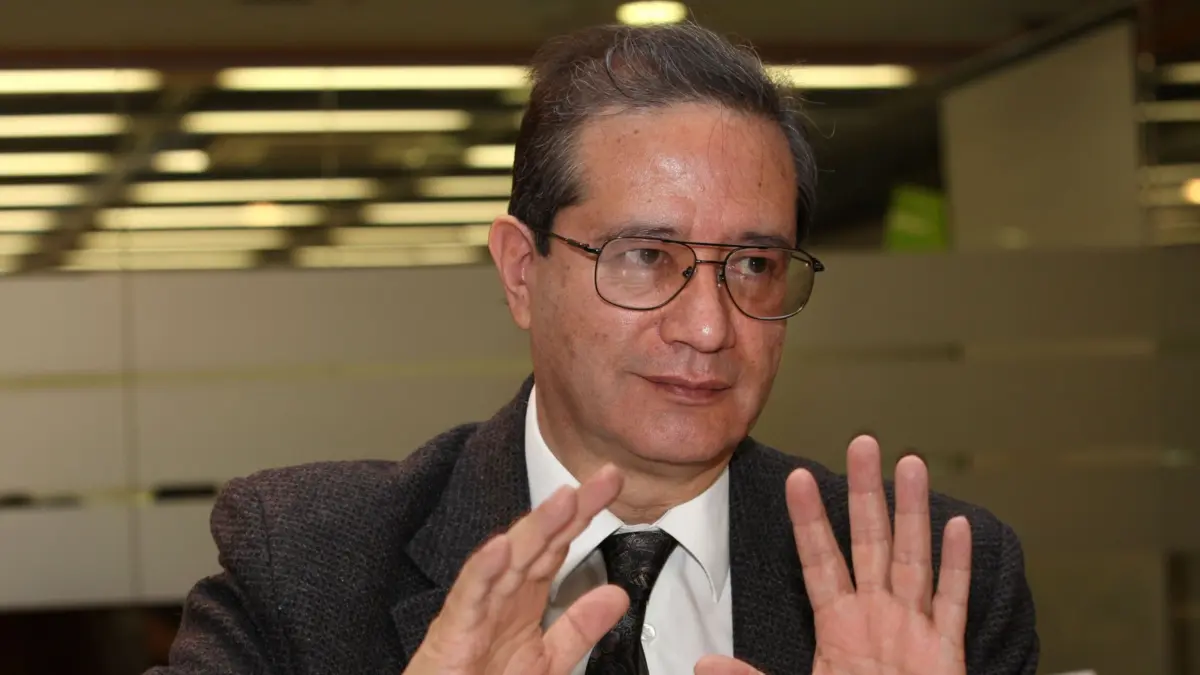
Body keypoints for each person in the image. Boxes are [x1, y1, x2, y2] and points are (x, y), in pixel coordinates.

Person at [149, 21, 1038, 675]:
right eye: (646, 257)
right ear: (521, 272)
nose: (708, 327)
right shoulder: (308, 557)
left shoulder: (935, 590)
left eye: (754, 265)